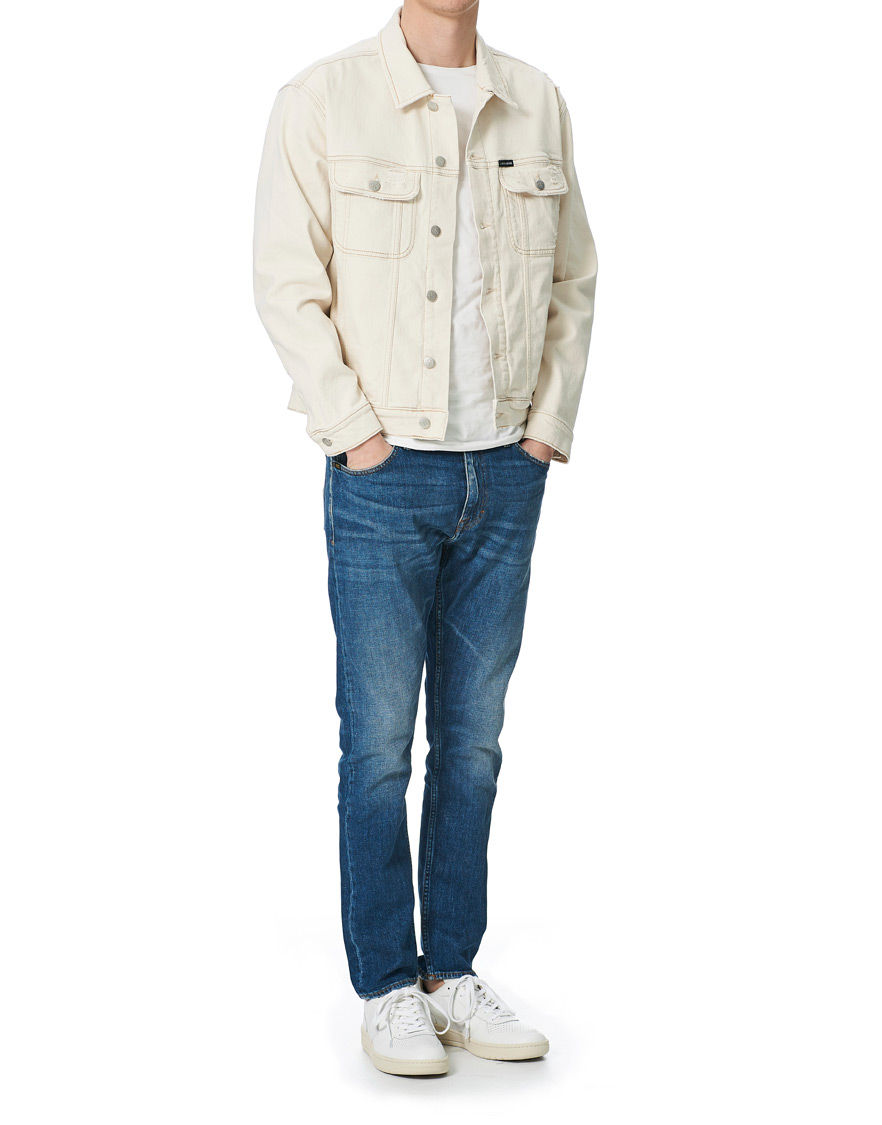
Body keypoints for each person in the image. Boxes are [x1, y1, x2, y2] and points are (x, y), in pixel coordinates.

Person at [253, 1, 596, 1076]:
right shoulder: (323, 99)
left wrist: (545, 427)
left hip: (506, 470)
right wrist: (355, 433)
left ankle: (452, 970)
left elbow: (573, 279)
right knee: (377, 746)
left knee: (475, 742)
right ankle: (388, 986)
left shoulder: (535, 99)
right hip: (384, 471)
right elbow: (286, 283)